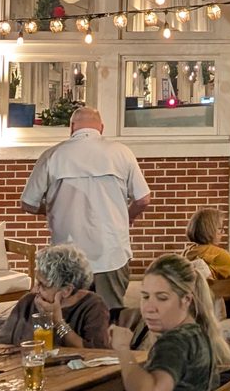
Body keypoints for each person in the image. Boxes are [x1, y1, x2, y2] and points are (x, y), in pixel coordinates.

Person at [71, 255, 230, 391]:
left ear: (186, 299)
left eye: (162, 298)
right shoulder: (199, 335)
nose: (149, 308)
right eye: (145, 297)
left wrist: (123, 350)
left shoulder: (174, 343)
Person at [21, 106, 151, 312]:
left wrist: (53, 209)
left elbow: (28, 203)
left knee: (67, 316)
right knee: (111, 315)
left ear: (71, 127)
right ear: (101, 127)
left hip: (67, 256)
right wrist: (126, 217)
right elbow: (143, 200)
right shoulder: (121, 153)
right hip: (111, 251)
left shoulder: (53, 155)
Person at [0, 244, 113, 349]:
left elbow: (97, 353)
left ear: (66, 290)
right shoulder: (28, 302)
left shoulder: (93, 306)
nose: (35, 290)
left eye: (43, 285)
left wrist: (58, 322)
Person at [184, 209, 230, 280]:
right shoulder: (218, 254)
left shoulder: (188, 251)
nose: (223, 232)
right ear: (209, 230)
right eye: (220, 229)